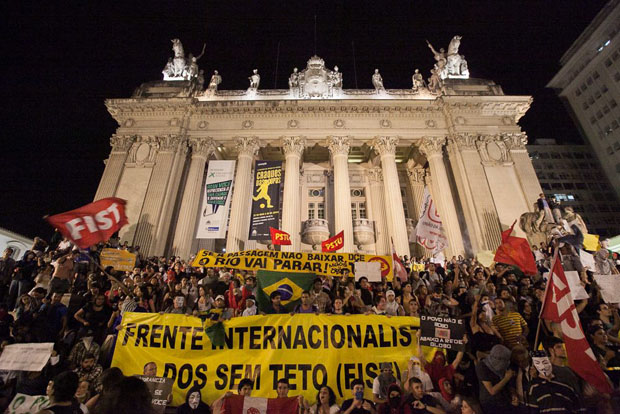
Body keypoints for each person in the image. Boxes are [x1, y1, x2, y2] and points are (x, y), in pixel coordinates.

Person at [475, 344, 514, 412]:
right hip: (490, 404)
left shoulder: (505, 365)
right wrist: (506, 378)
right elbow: (492, 391)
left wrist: (513, 394)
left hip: (505, 401)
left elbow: (509, 385)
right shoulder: (482, 366)